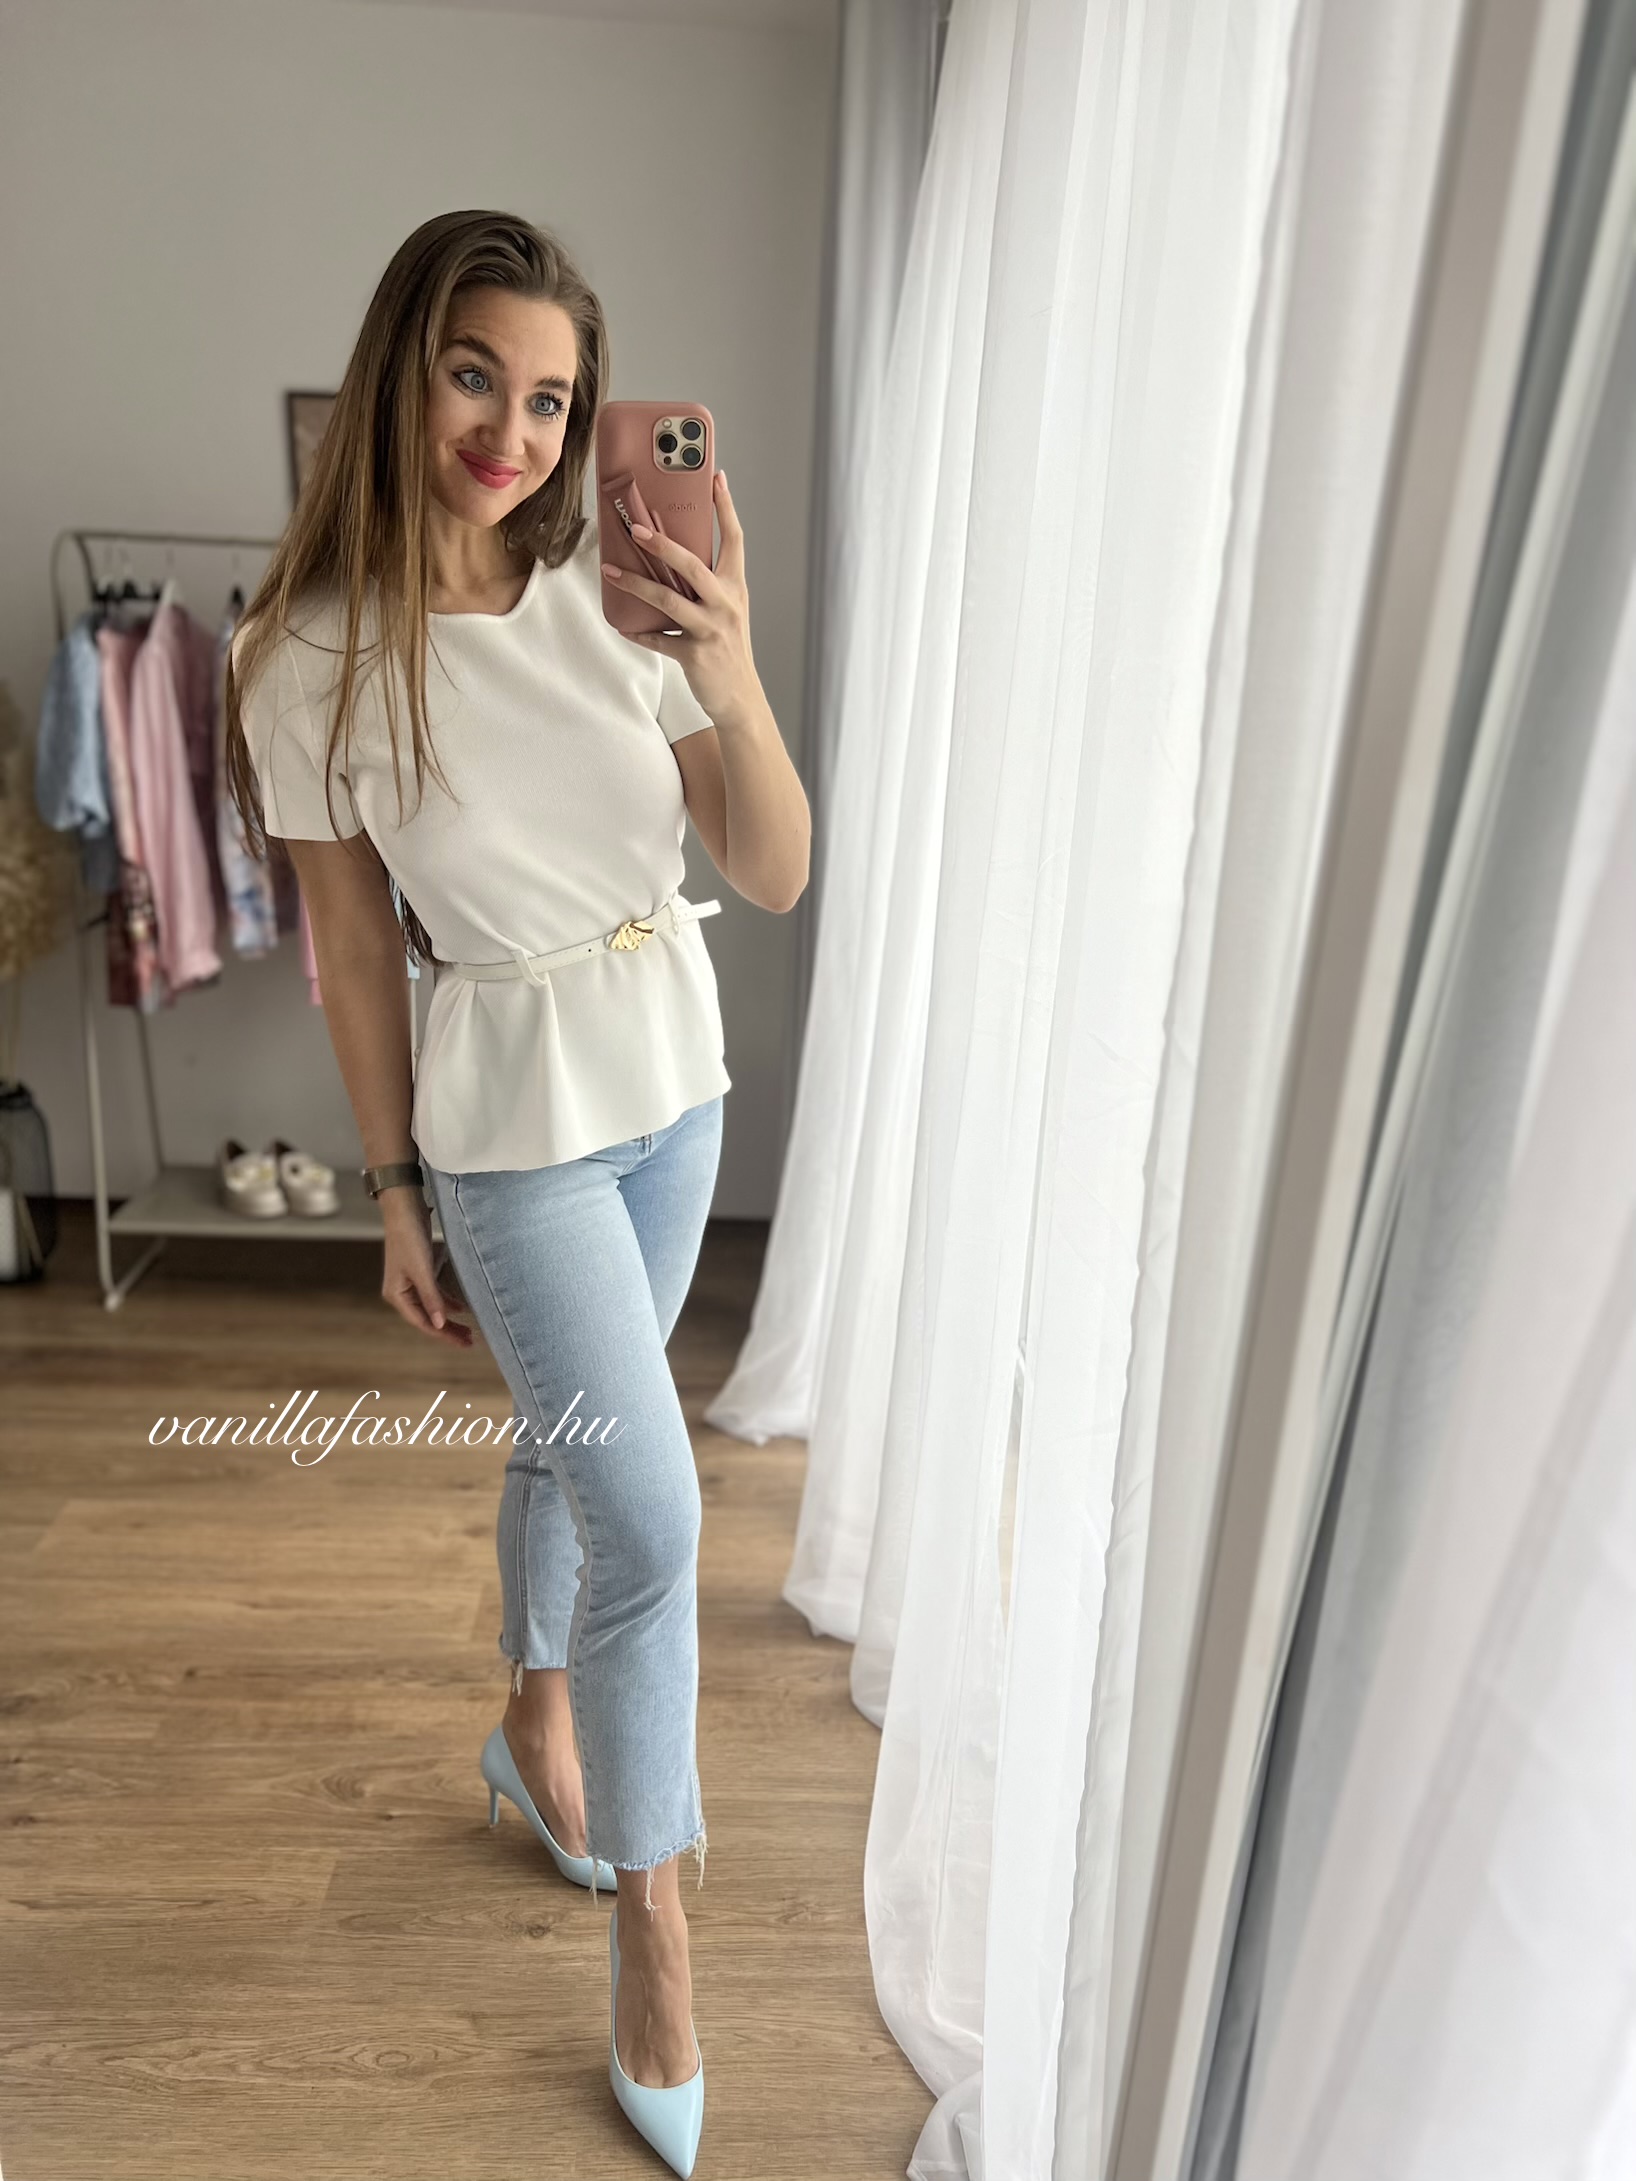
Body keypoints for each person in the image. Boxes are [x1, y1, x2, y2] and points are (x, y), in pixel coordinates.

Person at [225, 208, 810, 2176]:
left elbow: (774, 867)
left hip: (673, 1088)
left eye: (555, 398)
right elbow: (351, 949)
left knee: (575, 1441)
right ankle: (657, 1927)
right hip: (509, 1130)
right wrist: (393, 1189)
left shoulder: (617, 593)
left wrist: (730, 666)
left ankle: (535, 1721)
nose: (514, 431)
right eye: (476, 375)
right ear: (404, 366)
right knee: (651, 1509)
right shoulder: (301, 657)